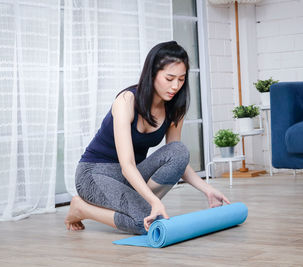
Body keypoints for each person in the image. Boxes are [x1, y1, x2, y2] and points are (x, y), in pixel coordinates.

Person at [64, 41, 230, 234]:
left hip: (130, 175)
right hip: (94, 175)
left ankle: (138, 207)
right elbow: (127, 165)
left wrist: (207, 189)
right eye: (169, 78)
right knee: (146, 224)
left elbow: (178, 159)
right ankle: (81, 208)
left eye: (181, 79)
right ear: (152, 73)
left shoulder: (175, 108)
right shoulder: (126, 101)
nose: (175, 86)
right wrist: (154, 201)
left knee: (179, 151)